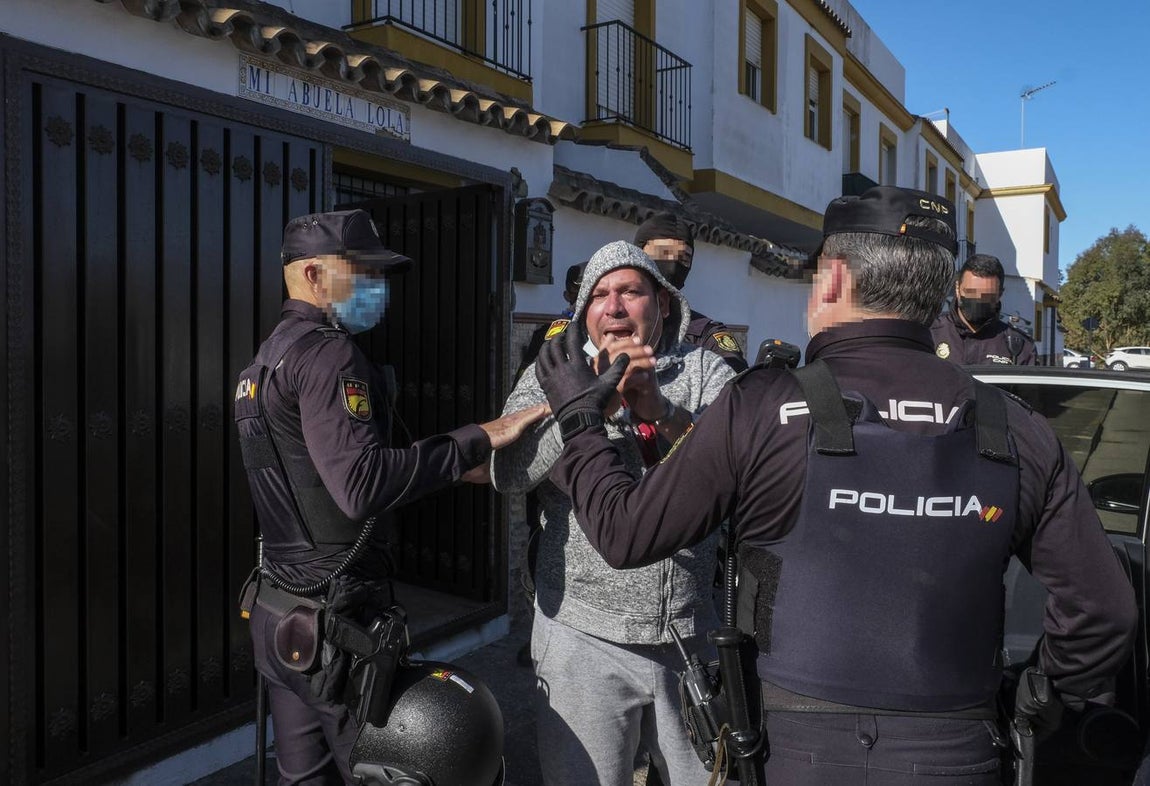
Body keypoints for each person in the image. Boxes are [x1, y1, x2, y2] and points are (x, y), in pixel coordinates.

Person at [534, 186, 1137, 785]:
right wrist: (1030, 701)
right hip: (958, 747)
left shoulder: (760, 406)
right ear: (935, 292)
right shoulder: (1014, 427)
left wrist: (580, 420)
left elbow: (625, 533)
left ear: (832, 281)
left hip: (795, 751)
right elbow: (1104, 609)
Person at [233, 209, 545, 785]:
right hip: (336, 626)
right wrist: (479, 437)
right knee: (384, 773)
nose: (374, 287)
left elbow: (315, 480)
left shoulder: (263, 362)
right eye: (360, 271)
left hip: (280, 616)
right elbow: (359, 487)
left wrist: (451, 471)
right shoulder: (328, 354)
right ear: (312, 275)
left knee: (303, 779)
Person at [491, 240, 737, 786]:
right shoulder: (552, 371)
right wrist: (587, 407)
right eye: (599, 295)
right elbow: (510, 473)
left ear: (664, 305)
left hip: (690, 635)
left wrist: (662, 411)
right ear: (584, 313)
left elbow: (736, 470)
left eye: (631, 291)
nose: (615, 307)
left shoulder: (707, 372)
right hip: (581, 636)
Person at [635, 212, 749, 372]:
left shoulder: (704, 333)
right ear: (638, 255)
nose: (673, 266)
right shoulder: (611, 318)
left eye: (683, 259)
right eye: (663, 253)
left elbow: (735, 378)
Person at [931, 253, 1037, 365]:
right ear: (958, 288)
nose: (977, 300)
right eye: (971, 292)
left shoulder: (1020, 346)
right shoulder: (930, 333)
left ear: (999, 295)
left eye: (987, 296)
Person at [515, 262, 585, 382]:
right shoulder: (547, 335)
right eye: (577, 294)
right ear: (567, 296)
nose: (582, 301)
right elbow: (523, 381)